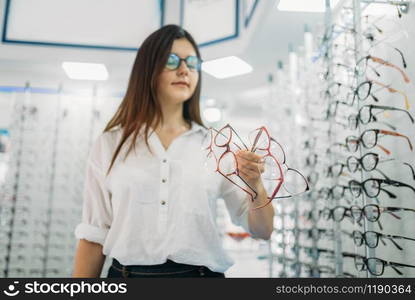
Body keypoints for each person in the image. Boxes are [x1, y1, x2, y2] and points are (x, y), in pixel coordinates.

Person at [72, 24, 274, 278]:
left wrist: (256, 186)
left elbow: (262, 230)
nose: (184, 70)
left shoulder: (216, 146)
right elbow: (93, 235)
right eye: (171, 60)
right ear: (148, 69)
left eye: (192, 62)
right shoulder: (110, 144)